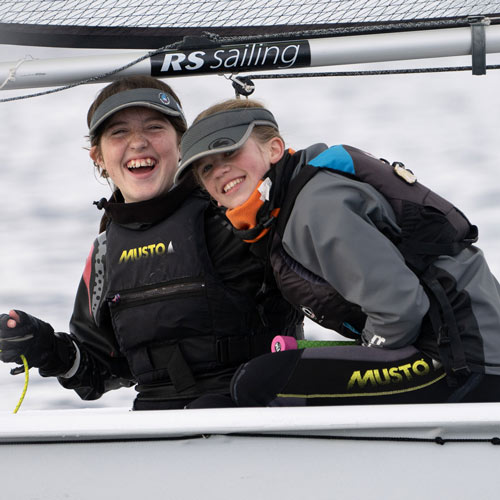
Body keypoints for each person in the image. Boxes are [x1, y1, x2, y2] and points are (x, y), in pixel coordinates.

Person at [0, 78, 302, 411]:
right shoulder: (104, 251)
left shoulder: (237, 213)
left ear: (183, 143)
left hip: (262, 412)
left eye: (154, 127)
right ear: (97, 156)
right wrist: (46, 349)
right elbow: (100, 371)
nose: (138, 143)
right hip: (158, 426)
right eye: (119, 132)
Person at [175, 98, 500, 406]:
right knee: (221, 400)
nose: (219, 170)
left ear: (274, 149)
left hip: (465, 363)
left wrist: (364, 354)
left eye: (228, 152)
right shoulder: (286, 208)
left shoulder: (316, 206)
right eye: (205, 169)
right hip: (458, 354)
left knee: (261, 382)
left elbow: (400, 310)